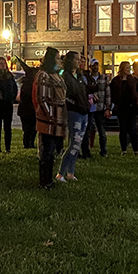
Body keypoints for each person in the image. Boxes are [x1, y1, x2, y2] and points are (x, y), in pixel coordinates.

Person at [34, 47, 66, 187]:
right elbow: (41, 97)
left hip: (58, 118)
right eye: (58, 58)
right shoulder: (43, 75)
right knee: (46, 150)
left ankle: (48, 179)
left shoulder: (57, 75)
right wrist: (49, 115)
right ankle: (44, 181)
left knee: (52, 151)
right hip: (48, 120)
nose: (60, 61)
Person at [58, 51, 89, 182]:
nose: (79, 61)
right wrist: (76, 104)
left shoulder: (79, 77)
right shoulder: (65, 76)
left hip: (83, 113)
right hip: (74, 113)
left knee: (78, 144)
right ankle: (61, 173)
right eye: (77, 59)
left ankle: (71, 172)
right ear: (70, 61)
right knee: (74, 143)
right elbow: (66, 96)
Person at [110, 61, 138, 155]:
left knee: (132, 129)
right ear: (122, 68)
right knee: (123, 129)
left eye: (129, 67)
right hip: (121, 107)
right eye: (127, 68)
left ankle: (135, 149)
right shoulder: (116, 81)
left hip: (132, 107)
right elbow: (112, 93)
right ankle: (124, 149)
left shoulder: (134, 80)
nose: (128, 69)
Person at [0, 57, 18, 153]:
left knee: (7, 127)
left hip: (8, 104)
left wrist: (12, 99)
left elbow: (14, 88)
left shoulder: (9, 76)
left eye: (4, 63)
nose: (3, 65)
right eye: (1, 63)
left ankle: (8, 148)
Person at [88, 59, 111, 157]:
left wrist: (108, 107)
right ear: (90, 67)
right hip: (90, 107)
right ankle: (88, 149)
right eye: (93, 65)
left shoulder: (104, 78)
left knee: (102, 131)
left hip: (100, 108)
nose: (95, 67)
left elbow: (108, 94)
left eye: (97, 65)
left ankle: (103, 151)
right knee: (88, 130)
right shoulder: (87, 78)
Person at [15, 57, 39, 149]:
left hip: (32, 110)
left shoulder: (33, 83)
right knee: (28, 129)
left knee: (33, 129)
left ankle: (31, 143)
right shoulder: (26, 84)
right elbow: (25, 97)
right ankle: (27, 144)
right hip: (26, 111)